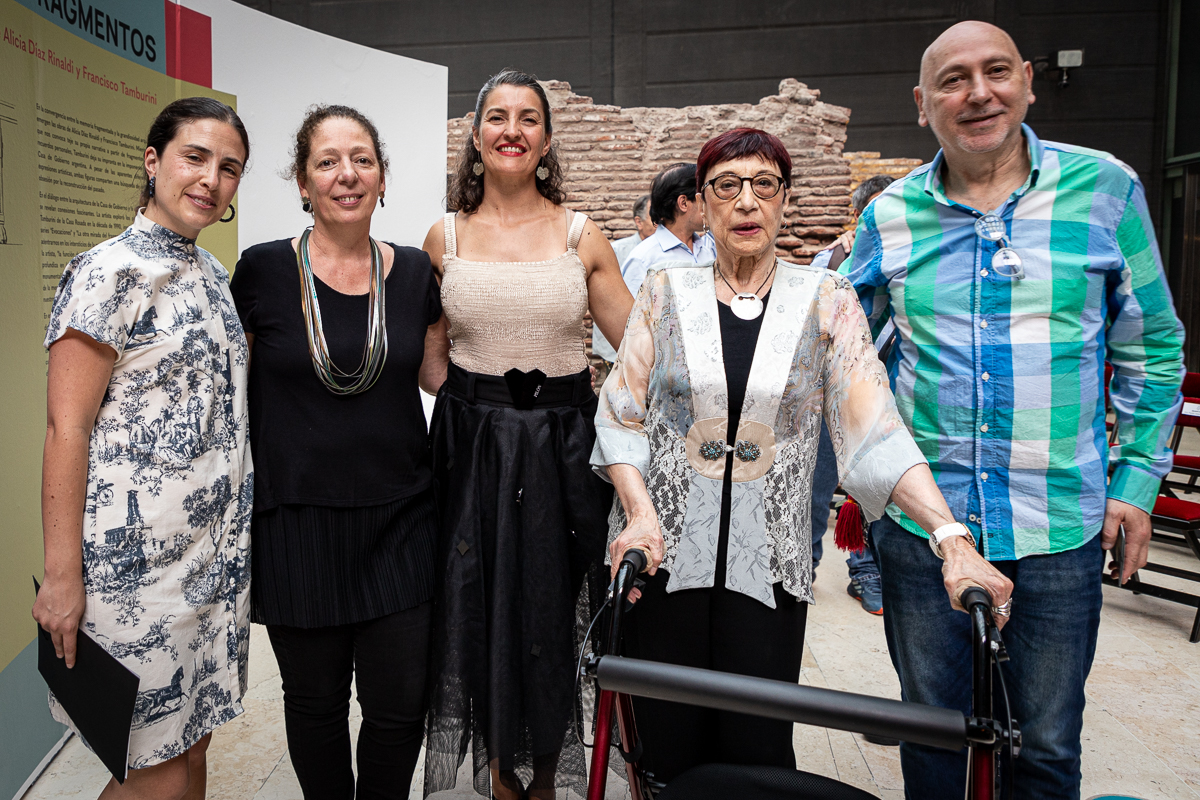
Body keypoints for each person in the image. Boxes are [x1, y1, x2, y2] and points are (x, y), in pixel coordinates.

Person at [592, 127, 1012, 785]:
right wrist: (640, 514)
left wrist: (951, 537)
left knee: (755, 745)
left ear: (786, 199)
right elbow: (621, 417)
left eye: (765, 185)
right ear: (701, 202)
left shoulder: (826, 300)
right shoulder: (664, 294)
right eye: (726, 186)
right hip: (663, 559)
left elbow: (875, 429)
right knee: (664, 748)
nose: (746, 202)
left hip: (768, 568)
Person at [841, 22, 1185, 800]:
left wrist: (1135, 484)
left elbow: (1153, 348)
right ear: (923, 104)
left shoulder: (1106, 191)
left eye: (996, 72)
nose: (978, 93)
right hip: (927, 535)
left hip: (1059, 525)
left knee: (1048, 746)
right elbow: (845, 360)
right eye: (954, 80)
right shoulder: (888, 218)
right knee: (933, 739)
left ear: (1028, 80)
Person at [422, 69, 633, 800]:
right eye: (498, 117)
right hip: (472, 448)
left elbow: (638, 353)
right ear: (476, 137)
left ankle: (547, 773)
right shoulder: (442, 236)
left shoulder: (582, 233)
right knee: (476, 606)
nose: (512, 129)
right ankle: (497, 772)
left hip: (562, 449)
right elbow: (428, 364)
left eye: (529, 118)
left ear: (546, 139)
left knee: (554, 609)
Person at [33, 97, 252, 799]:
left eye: (229, 169)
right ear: (153, 160)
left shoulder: (214, 276)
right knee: (150, 776)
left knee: (192, 750)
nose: (211, 180)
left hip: (213, 567)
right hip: (135, 577)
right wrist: (63, 578)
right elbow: (67, 428)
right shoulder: (107, 272)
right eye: (195, 157)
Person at [228, 106, 444, 800]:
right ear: (301, 180)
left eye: (362, 159)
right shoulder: (261, 271)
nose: (346, 174)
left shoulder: (413, 274)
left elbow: (442, 376)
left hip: (403, 520)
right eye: (327, 161)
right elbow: (226, 394)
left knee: (398, 707)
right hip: (296, 522)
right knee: (315, 705)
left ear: (383, 177)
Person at [809, 174, 895, 615]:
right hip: (829, 394)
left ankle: (865, 573)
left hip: (886, 395)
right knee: (816, 485)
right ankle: (802, 565)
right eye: (874, 212)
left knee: (874, 486)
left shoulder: (912, 259)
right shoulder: (833, 257)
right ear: (858, 216)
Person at [620, 163, 716, 294]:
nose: (710, 207)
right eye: (704, 199)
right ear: (683, 203)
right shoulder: (644, 259)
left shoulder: (706, 250)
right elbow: (631, 313)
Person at [592, 193, 652, 385]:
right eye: (654, 216)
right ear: (638, 222)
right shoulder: (617, 250)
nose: (660, 221)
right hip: (617, 343)